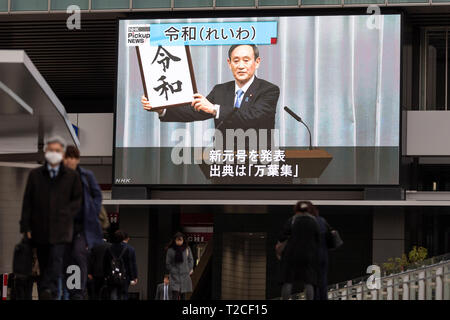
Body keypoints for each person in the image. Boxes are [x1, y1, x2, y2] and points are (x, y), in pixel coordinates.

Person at [142, 44, 280, 149]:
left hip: (258, 162)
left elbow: (252, 116)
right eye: (236, 61)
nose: (241, 66)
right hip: (224, 162)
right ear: (229, 63)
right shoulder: (220, 90)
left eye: (246, 60)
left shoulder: (269, 90)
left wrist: (215, 109)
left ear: (257, 62)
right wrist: (161, 108)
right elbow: (195, 111)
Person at [19, 136, 82, 300]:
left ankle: (49, 290)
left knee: (56, 259)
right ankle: (48, 291)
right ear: (46, 152)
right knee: (45, 261)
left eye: (57, 151)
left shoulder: (71, 176)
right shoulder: (35, 175)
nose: (53, 153)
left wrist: (67, 214)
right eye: (51, 150)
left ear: (62, 154)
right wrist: (25, 227)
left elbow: (77, 201)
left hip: (61, 230)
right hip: (40, 229)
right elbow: (28, 201)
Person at [63, 145, 103, 299]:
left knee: (78, 254)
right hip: (64, 227)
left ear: (77, 160)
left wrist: (93, 211)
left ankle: (78, 292)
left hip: (82, 227)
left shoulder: (86, 175)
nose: (70, 161)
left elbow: (97, 195)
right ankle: (69, 290)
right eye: (68, 158)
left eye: (73, 158)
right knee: (65, 258)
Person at [277, 201, 320, 300]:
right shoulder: (314, 221)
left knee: (288, 280)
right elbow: (318, 239)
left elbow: (282, 236)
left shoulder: (292, 220)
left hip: (291, 254)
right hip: (308, 254)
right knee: (309, 281)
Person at [309, 206, 335, 300]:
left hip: (312, 255)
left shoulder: (309, 222)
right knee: (323, 279)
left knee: (312, 280)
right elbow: (330, 235)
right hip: (324, 254)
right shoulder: (323, 221)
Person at [103, 230, 133, 300]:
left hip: (112, 276)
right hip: (123, 276)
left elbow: (105, 263)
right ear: (123, 238)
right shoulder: (127, 249)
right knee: (123, 294)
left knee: (113, 293)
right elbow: (129, 264)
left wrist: (106, 275)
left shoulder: (109, 248)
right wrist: (132, 277)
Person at [165, 232, 194, 300]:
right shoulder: (170, 250)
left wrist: (188, 269)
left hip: (184, 275)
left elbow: (191, 260)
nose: (179, 241)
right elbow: (168, 263)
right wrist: (173, 271)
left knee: (183, 296)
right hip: (174, 276)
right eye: (178, 240)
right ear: (175, 240)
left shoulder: (187, 249)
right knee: (174, 295)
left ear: (183, 240)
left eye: (181, 240)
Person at [122, 232, 138, 299]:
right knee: (125, 293)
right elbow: (133, 264)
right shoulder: (131, 249)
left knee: (115, 293)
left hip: (114, 274)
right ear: (128, 238)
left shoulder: (113, 247)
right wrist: (134, 276)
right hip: (126, 275)